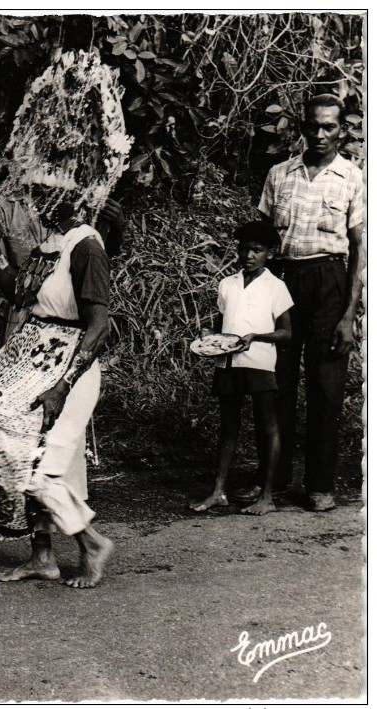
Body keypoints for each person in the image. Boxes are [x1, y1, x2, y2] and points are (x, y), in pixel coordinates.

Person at [0, 202, 114, 588]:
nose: (35, 202)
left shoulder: (86, 246)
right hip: (28, 356)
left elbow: (100, 325)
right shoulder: (49, 242)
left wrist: (63, 385)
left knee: (32, 464)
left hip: (64, 366)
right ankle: (42, 555)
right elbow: (23, 293)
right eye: (33, 192)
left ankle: (91, 542)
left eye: (45, 192)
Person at [256, 93, 364, 512]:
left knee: (326, 386)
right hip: (282, 281)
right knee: (276, 382)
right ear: (300, 127)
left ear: (342, 130)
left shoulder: (353, 177)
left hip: (329, 282)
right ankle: (273, 483)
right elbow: (262, 242)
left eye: (329, 127)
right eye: (313, 126)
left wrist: (349, 312)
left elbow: (359, 251)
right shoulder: (279, 174)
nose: (320, 134)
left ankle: (320, 485)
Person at [190, 222, 293, 515]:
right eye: (244, 249)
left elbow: (286, 333)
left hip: (259, 362)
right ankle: (218, 492)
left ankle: (267, 497)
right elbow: (222, 325)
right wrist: (208, 334)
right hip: (228, 362)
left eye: (257, 251)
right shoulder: (227, 284)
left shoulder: (276, 287)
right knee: (228, 427)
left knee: (267, 424)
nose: (248, 255)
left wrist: (256, 337)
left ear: (269, 254)